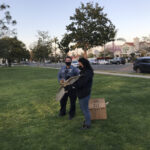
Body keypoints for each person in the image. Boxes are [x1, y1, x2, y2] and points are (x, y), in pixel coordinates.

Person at [65, 57, 94, 129]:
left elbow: (80, 83)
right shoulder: (84, 71)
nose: (79, 64)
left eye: (80, 63)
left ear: (83, 63)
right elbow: (78, 79)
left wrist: (70, 86)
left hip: (84, 93)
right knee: (83, 108)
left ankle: (87, 125)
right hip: (81, 92)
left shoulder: (87, 72)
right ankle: (87, 121)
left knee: (85, 109)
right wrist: (70, 80)